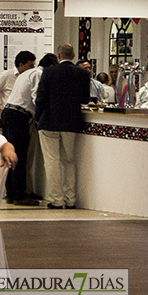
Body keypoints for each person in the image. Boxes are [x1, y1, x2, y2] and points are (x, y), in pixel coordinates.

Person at [35, 43, 90, 209]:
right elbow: (85, 99)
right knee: (69, 161)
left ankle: (56, 200)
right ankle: (70, 199)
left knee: (52, 161)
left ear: (58, 56)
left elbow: (40, 98)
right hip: (71, 122)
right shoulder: (83, 73)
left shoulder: (49, 72)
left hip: (49, 121)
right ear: (73, 56)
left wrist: (38, 118)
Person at [1, 53, 59, 205]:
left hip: (9, 112)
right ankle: (20, 196)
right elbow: (36, 97)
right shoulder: (39, 74)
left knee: (11, 155)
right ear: (51, 66)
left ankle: (12, 193)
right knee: (19, 155)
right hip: (19, 116)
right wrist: (41, 116)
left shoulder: (26, 73)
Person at [0, 50, 36, 115]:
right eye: (30, 66)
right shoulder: (6, 75)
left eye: (34, 65)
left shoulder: (31, 77)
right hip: (12, 113)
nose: (33, 68)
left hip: (27, 115)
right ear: (21, 65)